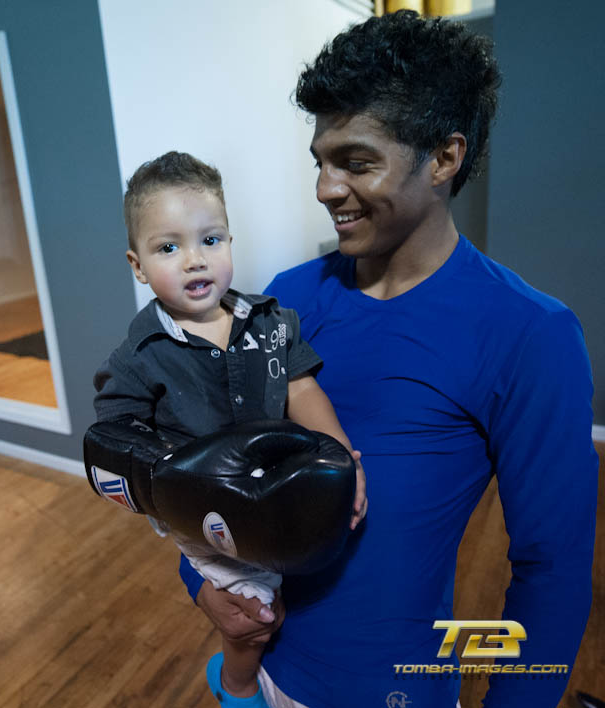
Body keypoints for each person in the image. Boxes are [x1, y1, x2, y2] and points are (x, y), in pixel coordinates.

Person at [181, 11, 598, 708]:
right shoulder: (285, 299)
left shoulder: (531, 335)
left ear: (443, 157)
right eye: (320, 160)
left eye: (356, 161)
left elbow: (551, 574)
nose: (324, 187)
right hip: (268, 672)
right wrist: (205, 589)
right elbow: (214, 470)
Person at [92, 151, 367, 707]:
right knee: (257, 618)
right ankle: (237, 684)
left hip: (275, 489)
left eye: (210, 240)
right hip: (206, 515)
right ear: (137, 265)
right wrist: (171, 481)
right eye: (169, 248)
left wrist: (343, 459)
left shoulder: (270, 321)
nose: (195, 260)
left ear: (230, 242)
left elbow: (304, 389)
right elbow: (115, 439)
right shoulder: (138, 357)